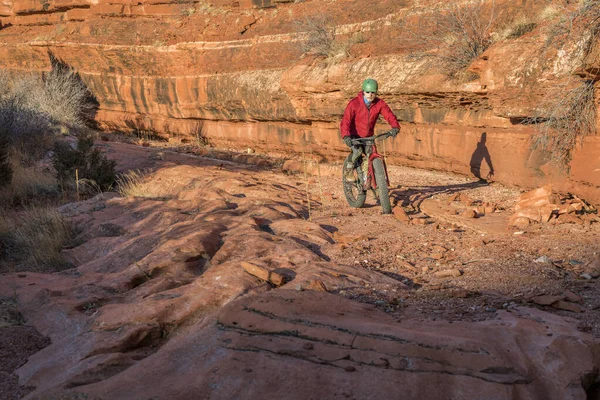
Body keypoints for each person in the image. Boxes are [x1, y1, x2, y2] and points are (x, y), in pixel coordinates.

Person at [340, 78, 400, 180]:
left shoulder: (379, 104)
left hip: (368, 136)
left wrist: (395, 127)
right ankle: (349, 170)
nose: (370, 95)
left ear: (376, 92)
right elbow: (346, 120)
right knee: (357, 152)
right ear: (363, 91)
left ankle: (376, 183)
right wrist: (346, 136)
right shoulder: (354, 103)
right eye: (367, 92)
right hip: (354, 136)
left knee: (371, 154)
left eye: (373, 92)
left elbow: (389, 115)